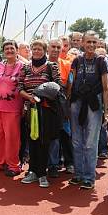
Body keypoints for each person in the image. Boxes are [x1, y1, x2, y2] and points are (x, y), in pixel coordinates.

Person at [67, 31, 108, 190]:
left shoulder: (101, 61)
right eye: (88, 42)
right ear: (82, 43)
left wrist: (107, 109)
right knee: (76, 141)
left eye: (94, 42)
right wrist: (68, 103)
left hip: (94, 103)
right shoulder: (76, 61)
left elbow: (106, 88)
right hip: (76, 103)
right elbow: (70, 83)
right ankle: (78, 174)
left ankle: (88, 177)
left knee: (90, 142)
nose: (91, 45)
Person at [18, 39, 62, 188]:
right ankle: (32, 171)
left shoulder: (51, 66)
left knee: (44, 142)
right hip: (30, 109)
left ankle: (42, 173)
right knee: (32, 140)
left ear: (45, 51)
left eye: (40, 49)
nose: (36, 51)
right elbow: (19, 87)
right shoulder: (25, 67)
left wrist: (43, 94)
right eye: (34, 49)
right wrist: (29, 97)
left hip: (46, 110)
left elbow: (58, 86)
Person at [0, 40, 24, 176]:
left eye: (12, 48)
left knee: (12, 138)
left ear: (16, 50)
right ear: (3, 51)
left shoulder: (23, 67)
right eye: (6, 48)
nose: (9, 50)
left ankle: (14, 165)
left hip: (13, 108)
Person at [47, 38, 73, 177]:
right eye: (53, 47)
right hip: (45, 105)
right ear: (48, 48)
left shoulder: (67, 65)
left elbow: (70, 85)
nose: (56, 49)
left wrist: (66, 103)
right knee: (51, 137)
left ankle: (69, 162)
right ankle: (52, 165)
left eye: (59, 47)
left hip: (62, 105)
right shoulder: (42, 64)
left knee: (66, 134)